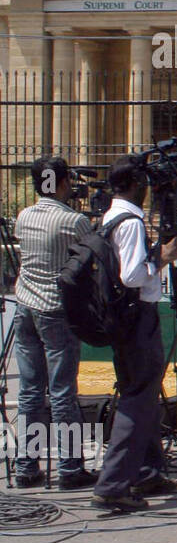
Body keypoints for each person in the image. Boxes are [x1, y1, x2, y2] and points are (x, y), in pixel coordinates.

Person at [90, 157, 177, 513]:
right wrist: (162, 256)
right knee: (137, 397)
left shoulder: (109, 216)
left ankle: (147, 470)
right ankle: (113, 484)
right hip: (137, 318)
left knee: (143, 394)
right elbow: (132, 275)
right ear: (134, 184)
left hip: (122, 319)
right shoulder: (129, 222)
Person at [10, 157, 97, 490]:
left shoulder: (24, 217)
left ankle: (26, 466)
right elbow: (90, 262)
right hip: (55, 310)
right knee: (62, 393)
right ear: (63, 183)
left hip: (25, 306)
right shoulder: (72, 222)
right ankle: (70, 466)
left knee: (31, 392)